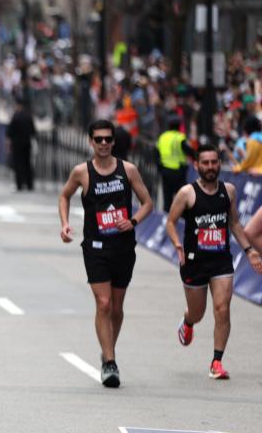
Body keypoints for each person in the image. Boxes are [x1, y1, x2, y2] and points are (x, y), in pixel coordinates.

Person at [58, 119, 154, 388]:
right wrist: (65, 224)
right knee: (103, 303)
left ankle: (107, 346)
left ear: (113, 142)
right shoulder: (82, 172)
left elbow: (148, 203)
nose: (103, 143)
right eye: (98, 139)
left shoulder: (129, 170)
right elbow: (64, 196)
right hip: (96, 248)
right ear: (90, 141)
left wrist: (132, 221)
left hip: (123, 247)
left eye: (107, 139)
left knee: (117, 308)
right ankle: (110, 362)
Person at [165, 144, 262, 380]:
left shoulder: (228, 191)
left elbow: (235, 224)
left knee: (223, 309)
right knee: (198, 313)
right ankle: (188, 321)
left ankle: (216, 362)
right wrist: (177, 243)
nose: (210, 167)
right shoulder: (187, 193)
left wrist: (249, 251)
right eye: (205, 163)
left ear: (219, 164)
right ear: (196, 165)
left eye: (214, 162)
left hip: (221, 260)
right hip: (194, 262)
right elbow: (170, 221)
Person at [155, 115, 193, 211]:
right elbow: (189, 151)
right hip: (178, 172)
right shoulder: (180, 137)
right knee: (182, 197)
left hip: (165, 171)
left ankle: (166, 218)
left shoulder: (162, 137)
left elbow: (155, 152)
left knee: (167, 197)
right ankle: (182, 219)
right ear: (179, 126)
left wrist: (159, 168)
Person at [6, 100, 36, 191]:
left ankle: (19, 184)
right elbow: (33, 131)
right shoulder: (28, 116)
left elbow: (9, 132)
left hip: (17, 144)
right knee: (27, 163)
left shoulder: (15, 117)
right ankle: (29, 184)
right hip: (27, 143)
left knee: (18, 164)